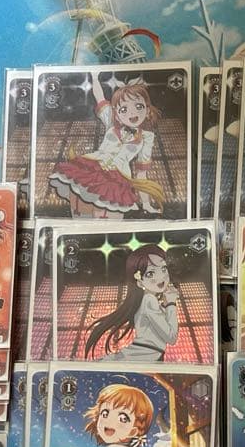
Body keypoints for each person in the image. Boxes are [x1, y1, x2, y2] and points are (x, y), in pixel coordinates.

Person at [48, 73, 165, 217]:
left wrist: (146, 204)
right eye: (124, 109)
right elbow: (100, 97)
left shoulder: (147, 137)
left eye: (139, 106)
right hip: (93, 167)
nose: (132, 113)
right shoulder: (111, 120)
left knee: (105, 215)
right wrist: (95, 77)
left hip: (118, 177)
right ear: (116, 114)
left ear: (147, 110)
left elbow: (142, 173)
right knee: (81, 209)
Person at [84, 245, 179, 361]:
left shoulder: (148, 300)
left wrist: (166, 304)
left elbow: (158, 328)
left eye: (163, 269)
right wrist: (171, 304)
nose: (161, 277)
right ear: (139, 282)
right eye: (150, 273)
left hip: (146, 355)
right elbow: (171, 337)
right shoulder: (149, 300)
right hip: (143, 355)